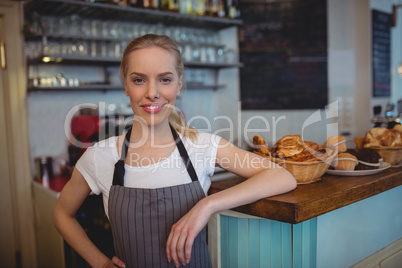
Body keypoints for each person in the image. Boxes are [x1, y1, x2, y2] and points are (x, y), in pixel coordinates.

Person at [52, 34, 297, 268]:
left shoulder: (201, 146)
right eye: (139, 80)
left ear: (179, 85)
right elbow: (62, 214)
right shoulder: (100, 156)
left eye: (164, 80)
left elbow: (282, 176)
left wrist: (207, 205)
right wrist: (99, 261)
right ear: (125, 85)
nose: (152, 92)